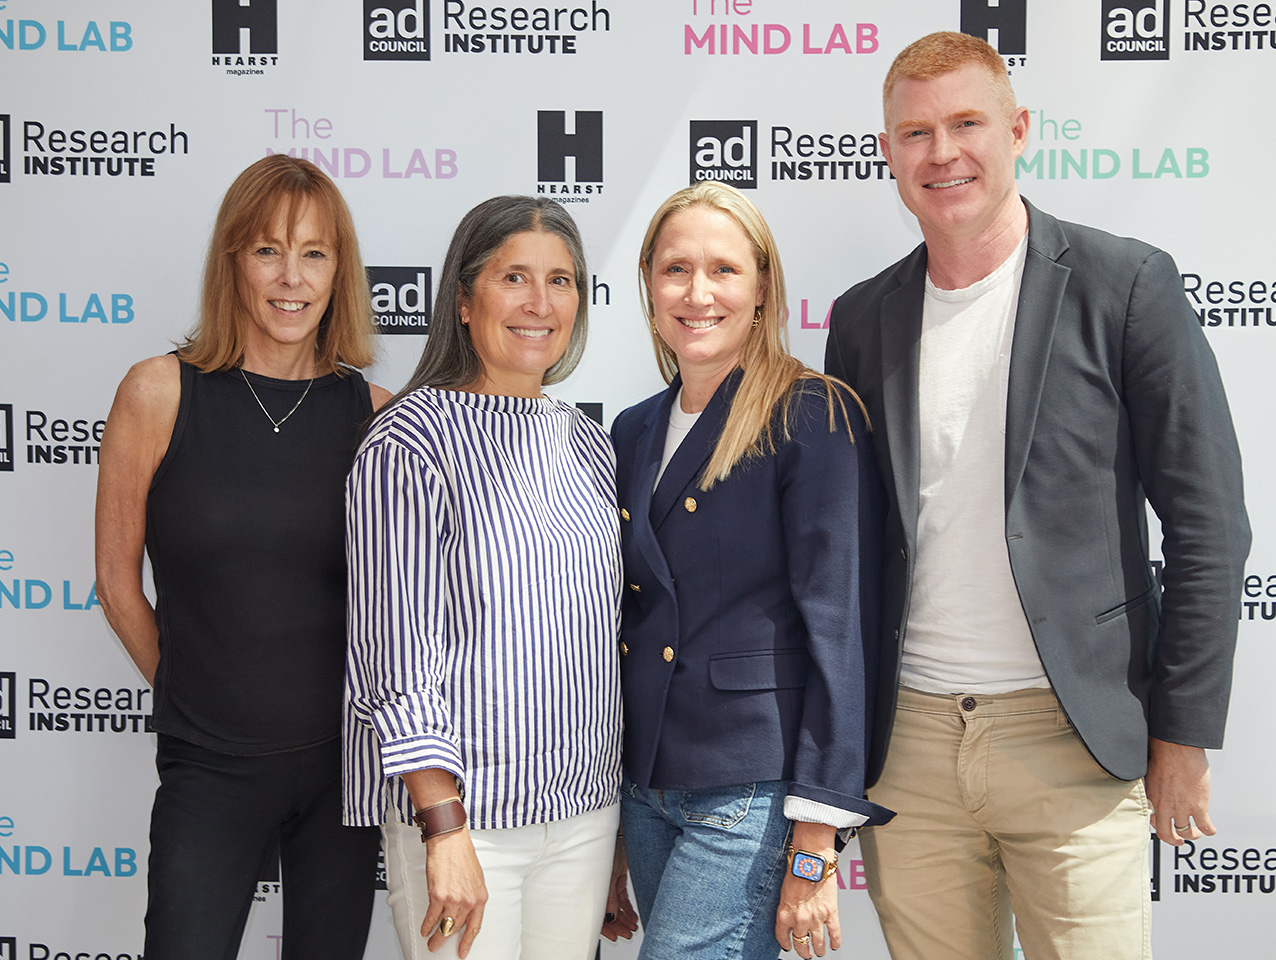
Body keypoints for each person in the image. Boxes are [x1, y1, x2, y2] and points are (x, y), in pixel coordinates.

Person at [824, 31, 1250, 960]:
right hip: (913, 752)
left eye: (967, 123)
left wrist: (1181, 735)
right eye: (916, 133)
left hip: (1075, 740)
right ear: (889, 153)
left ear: (1018, 130)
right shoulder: (861, 320)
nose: (943, 153)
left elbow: (1210, 524)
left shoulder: (1126, 285)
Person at [94, 154, 389, 960]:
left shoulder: (373, 415)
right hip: (209, 767)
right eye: (267, 250)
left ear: (339, 271)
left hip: (344, 772)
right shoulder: (157, 393)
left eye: (314, 253)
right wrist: (201, 697)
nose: (290, 277)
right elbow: (118, 586)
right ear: (233, 261)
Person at [610, 181, 893, 960]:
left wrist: (816, 837)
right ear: (647, 282)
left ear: (762, 287)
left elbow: (842, 633)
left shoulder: (812, 414)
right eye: (675, 269)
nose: (698, 293)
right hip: (647, 785)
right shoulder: (633, 429)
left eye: (724, 270)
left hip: (752, 791)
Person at [343, 196, 622, 960]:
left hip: (584, 816)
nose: (540, 303)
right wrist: (444, 829)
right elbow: (395, 656)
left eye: (561, 280)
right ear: (464, 302)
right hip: (470, 824)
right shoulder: (409, 437)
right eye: (515, 278)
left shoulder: (588, 444)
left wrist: (618, 827)